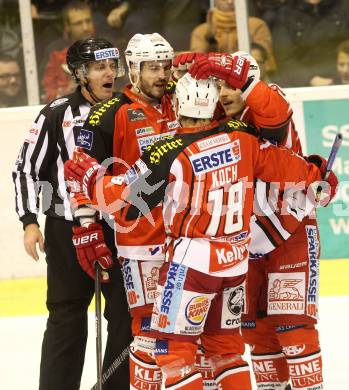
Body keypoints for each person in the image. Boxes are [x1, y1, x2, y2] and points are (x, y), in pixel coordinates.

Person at [64, 54, 337, 389]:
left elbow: (125, 201)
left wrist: (90, 180)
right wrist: (319, 174)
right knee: (228, 350)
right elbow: (293, 168)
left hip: (191, 264)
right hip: (235, 261)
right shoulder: (243, 139)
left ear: (178, 104)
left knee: (172, 351)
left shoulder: (168, 149)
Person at [12, 37, 132, 390]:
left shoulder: (127, 109)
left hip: (117, 229)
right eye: (99, 67)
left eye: (113, 66)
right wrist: (30, 222)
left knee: (126, 316)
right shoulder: (56, 113)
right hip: (66, 227)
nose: (109, 73)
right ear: (81, 74)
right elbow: (25, 169)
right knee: (67, 316)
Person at [210, 51, 328, 389]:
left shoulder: (270, 103)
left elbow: (275, 119)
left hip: (289, 233)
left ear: (250, 85)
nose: (224, 94)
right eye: (220, 85)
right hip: (246, 241)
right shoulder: (216, 118)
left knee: (293, 325)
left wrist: (247, 82)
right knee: (255, 328)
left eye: (232, 85)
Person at [78, 32, 178, 389]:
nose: (162, 75)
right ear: (133, 70)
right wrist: (85, 227)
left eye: (166, 66)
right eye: (153, 68)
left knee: (188, 329)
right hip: (140, 243)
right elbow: (81, 173)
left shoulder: (183, 101)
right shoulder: (109, 114)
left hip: (186, 238)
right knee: (148, 329)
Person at [190, 0, 276, 72]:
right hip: (215, 87)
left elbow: (262, 65)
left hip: (251, 86)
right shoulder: (201, 31)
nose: (230, 2)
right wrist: (210, 39)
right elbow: (197, 66)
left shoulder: (256, 26)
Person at [42, 0, 95, 102]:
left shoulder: (107, 46)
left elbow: (120, 85)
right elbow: (46, 90)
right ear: (67, 26)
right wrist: (67, 91)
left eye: (88, 21)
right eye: (78, 23)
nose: (85, 28)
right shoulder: (55, 51)